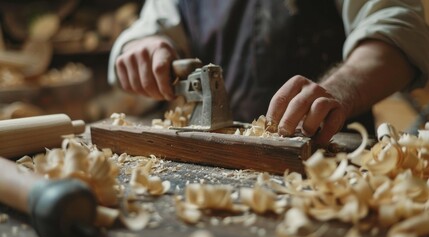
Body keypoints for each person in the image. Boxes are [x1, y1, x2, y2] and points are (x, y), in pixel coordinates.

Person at [108, 0, 429, 145]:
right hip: (216, 158)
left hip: (325, 159)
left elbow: (397, 28)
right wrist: (142, 43)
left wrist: (342, 87)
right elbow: (150, 27)